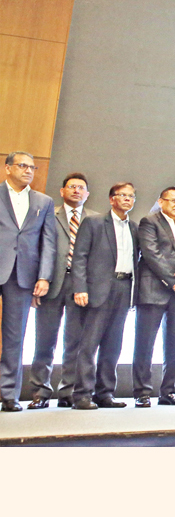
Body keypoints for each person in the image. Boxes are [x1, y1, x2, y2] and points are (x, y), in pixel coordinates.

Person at [28, 173, 96, 409]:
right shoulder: (49, 214)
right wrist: (38, 281)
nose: (77, 191)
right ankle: (40, 391)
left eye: (81, 188)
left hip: (81, 287)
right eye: (72, 187)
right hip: (51, 284)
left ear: (87, 193)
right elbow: (35, 250)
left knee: (74, 342)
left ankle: (68, 391)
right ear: (62, 191)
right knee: (44, 341)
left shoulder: (96, 219)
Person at [70, 183, 140, 409]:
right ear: (112, 199)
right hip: (98, 289)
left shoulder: (134, 228)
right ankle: (82, 394)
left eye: (131, 196)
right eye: (123, 196)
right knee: (89, 344)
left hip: (124, 287)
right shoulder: (94, 222)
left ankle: (105, 393)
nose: (128, 199)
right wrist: (80, 288)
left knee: (113, 344)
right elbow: (79, 257)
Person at [132, 187, 175, 407]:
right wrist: (173, 282)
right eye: (173, 201)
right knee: (145, 344)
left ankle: (168, 391)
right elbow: (151, 254)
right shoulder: (149, 222)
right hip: (153, 290)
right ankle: (142, 392)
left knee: (174, 344)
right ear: (161, 202)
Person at [0, 151, 56, 412]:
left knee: (15, 337)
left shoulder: (43, 201)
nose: (28, 171)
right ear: (7, 168)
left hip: (23, 276)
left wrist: (43, 276)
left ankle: (8, 395)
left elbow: (48, 242)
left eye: (32, 167)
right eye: (22, 166)